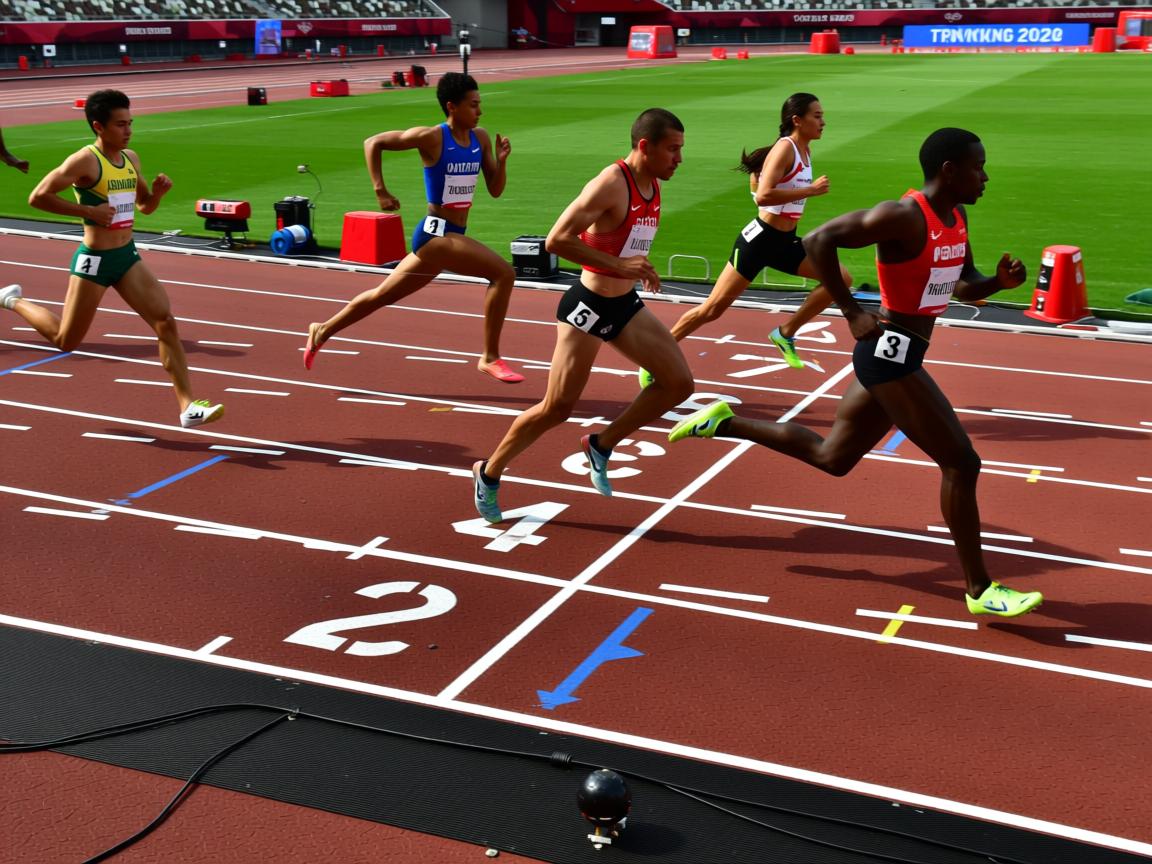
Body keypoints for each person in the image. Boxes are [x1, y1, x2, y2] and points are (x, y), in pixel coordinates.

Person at [668, 127, 1043, 618]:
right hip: (890, 355)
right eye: (978, 166)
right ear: (949, 171)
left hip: (899, 354)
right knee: (962, 462)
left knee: (832, 457)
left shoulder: (957, 217)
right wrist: (849, 310)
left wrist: (997, 281)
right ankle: (979, 590)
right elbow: (822, 240)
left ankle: (723, 421)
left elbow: (963, 285)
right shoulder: (903, 215)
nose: (985, 176)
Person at [471, 108, 694, 522]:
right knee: (556, 408)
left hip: (624, 305)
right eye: (673, 150)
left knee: (678, 383)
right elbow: (557, 240)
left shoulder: (652, 182)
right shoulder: (611, 183)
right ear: (645, 147)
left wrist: (636, 266)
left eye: (681, 150)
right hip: (588, 308)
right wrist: (621, 266)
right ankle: (489, 472)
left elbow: (625, 242)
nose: (679, 159)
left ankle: (601, 445)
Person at [2, 89, 223, 429]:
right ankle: (13, 300)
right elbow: (37, 197)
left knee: (166, 322)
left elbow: (144, 207)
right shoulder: (84, 161)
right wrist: (87, 210)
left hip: (126, 256)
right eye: (121, 125)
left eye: (130, 123)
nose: (129, 130)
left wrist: (158, 195)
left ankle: (187, 406)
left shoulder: (131, 159)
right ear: (98, 126)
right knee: (66, 340)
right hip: (94, 261)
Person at [303, 72, 524, 384]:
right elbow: (373, 143)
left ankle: (322, 330)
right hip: (435, 234)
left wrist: (502, 162)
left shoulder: (481, 138)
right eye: (473, 105)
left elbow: (496, 190)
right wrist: (380, 189)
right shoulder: (432, 137)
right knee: (504, 273)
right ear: (452, 107)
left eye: (480, 105)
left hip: (453, 235)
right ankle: (489, 356)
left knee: (382, 295)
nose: (480, 111)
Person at [642, 93, 850, 387]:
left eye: (822, 115)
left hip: (785, 241)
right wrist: (810, 192)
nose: (823, 122)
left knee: (840, 278)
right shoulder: (785, 148)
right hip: (759, 241)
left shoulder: (804, 151)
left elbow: (763, 189)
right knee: (711, 310)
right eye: (817, 116)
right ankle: (655, 356)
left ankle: (785, 332)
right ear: (797, 120)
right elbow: (764, 195)